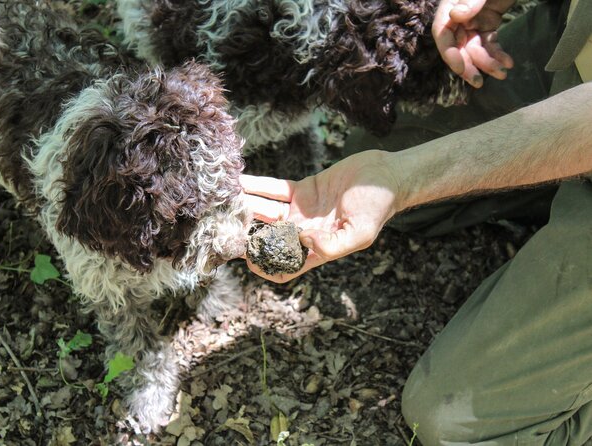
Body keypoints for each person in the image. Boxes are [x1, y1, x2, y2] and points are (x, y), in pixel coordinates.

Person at [241, 0, 592, 443]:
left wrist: (403, 179)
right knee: (375, 154)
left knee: (452, 424)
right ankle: (558, 187)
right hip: (579, 48)